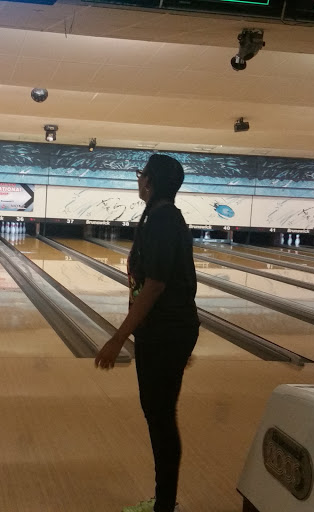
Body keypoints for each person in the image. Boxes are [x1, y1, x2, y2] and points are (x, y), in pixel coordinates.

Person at [94, 154, 199, 512]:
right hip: (165, 332)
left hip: (166, 332)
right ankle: (163, 502)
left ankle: (164, 506)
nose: (138, 179)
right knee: (158, 415)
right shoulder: (159, 216)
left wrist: (118, 338)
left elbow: (155, 285)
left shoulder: (163, 219)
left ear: (150, 181)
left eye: (141, 174)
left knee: (160, 418)